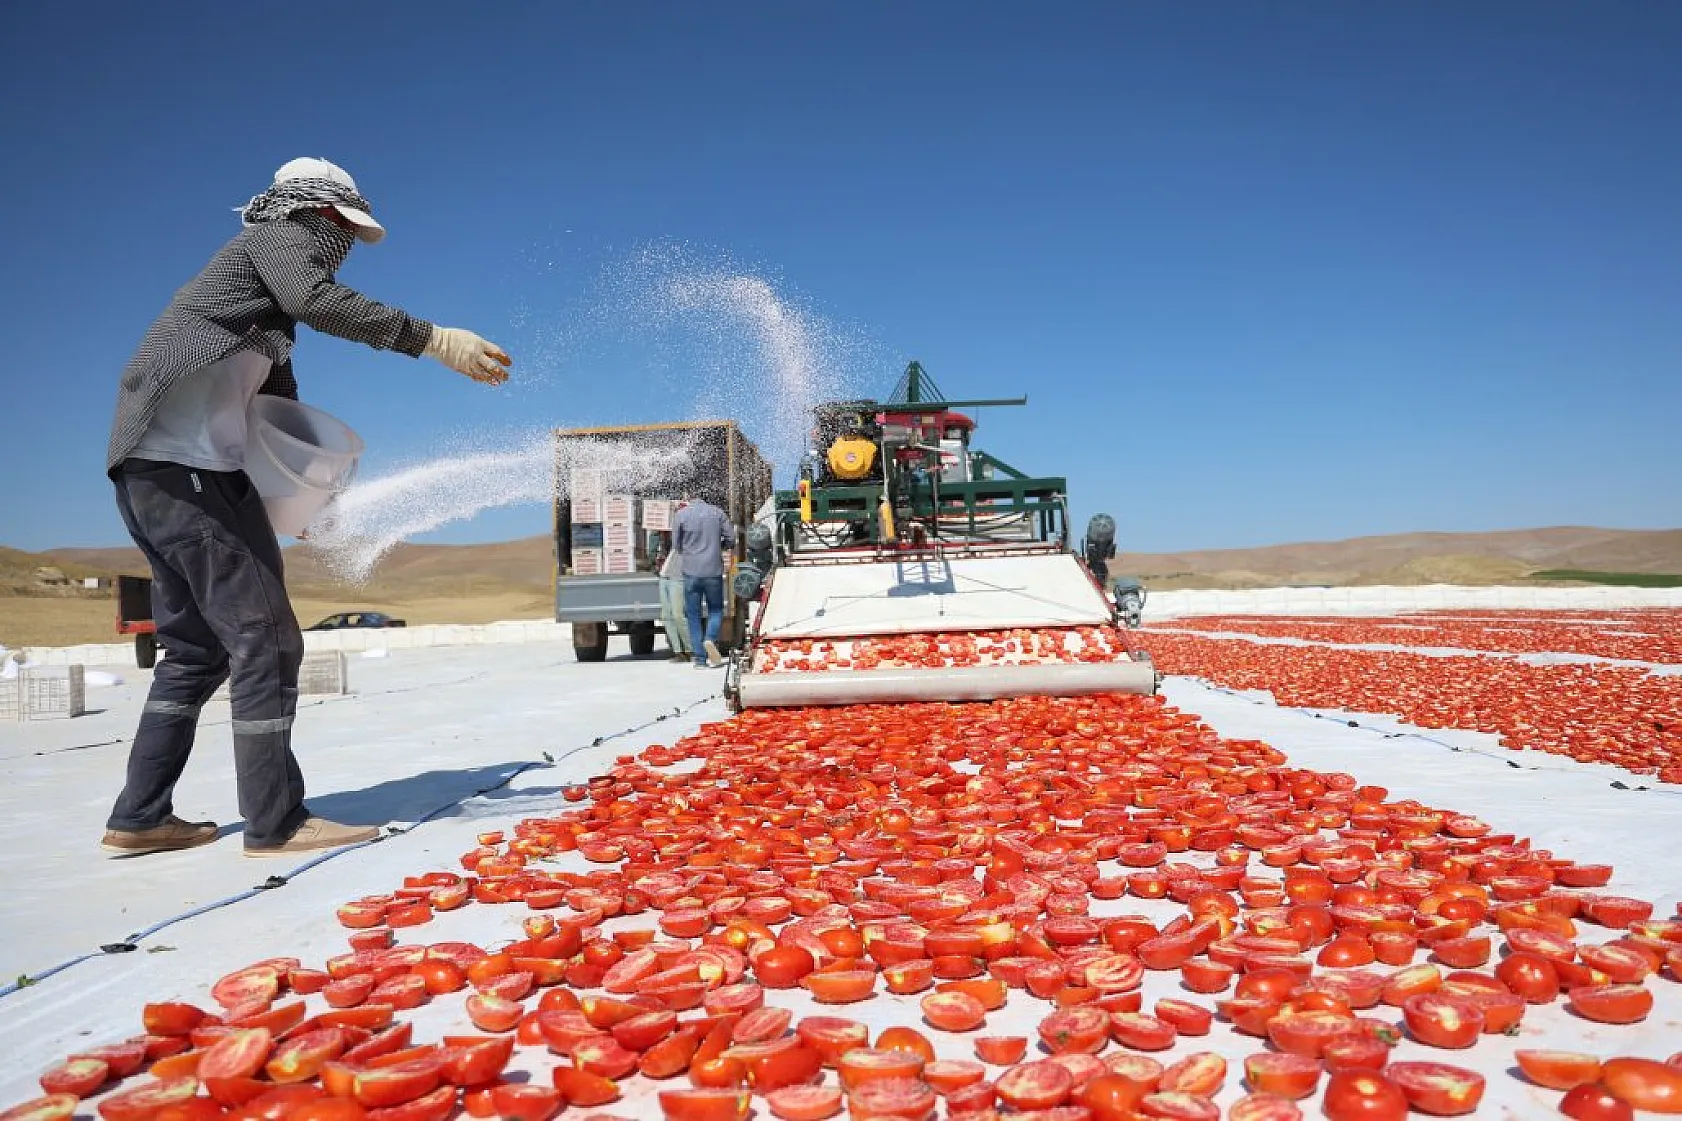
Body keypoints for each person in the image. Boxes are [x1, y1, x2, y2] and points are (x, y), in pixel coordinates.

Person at [101, 157, 513, 858]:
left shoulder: (260, 325)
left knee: (194, 653)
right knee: (267, 639)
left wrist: (311, 499)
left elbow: (279, 422)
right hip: (183, 469)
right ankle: (276, 822)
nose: (342, 245)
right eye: (340, 229)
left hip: (163, 474)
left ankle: (140, 816)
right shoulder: (271, 241)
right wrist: (433, 339)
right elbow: (319, 297)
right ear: (310, 211)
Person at [671, 493, 735, 668]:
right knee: (716, 609)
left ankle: (699, 659)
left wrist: (689, 550)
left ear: (689, 498)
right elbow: (731, 538)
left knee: (693, 614)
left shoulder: (681, 515)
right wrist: (719, 547)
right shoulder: (717, 513)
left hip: (691, 571)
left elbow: (676, 545)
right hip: (713, 570)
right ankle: (710, 638)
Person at [655, 519, 691, 663]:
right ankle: (678, 652)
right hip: (664, 576)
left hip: (679, 576)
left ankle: (690, 649)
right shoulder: (666, 537)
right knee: (666, 616)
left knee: (678, 614)